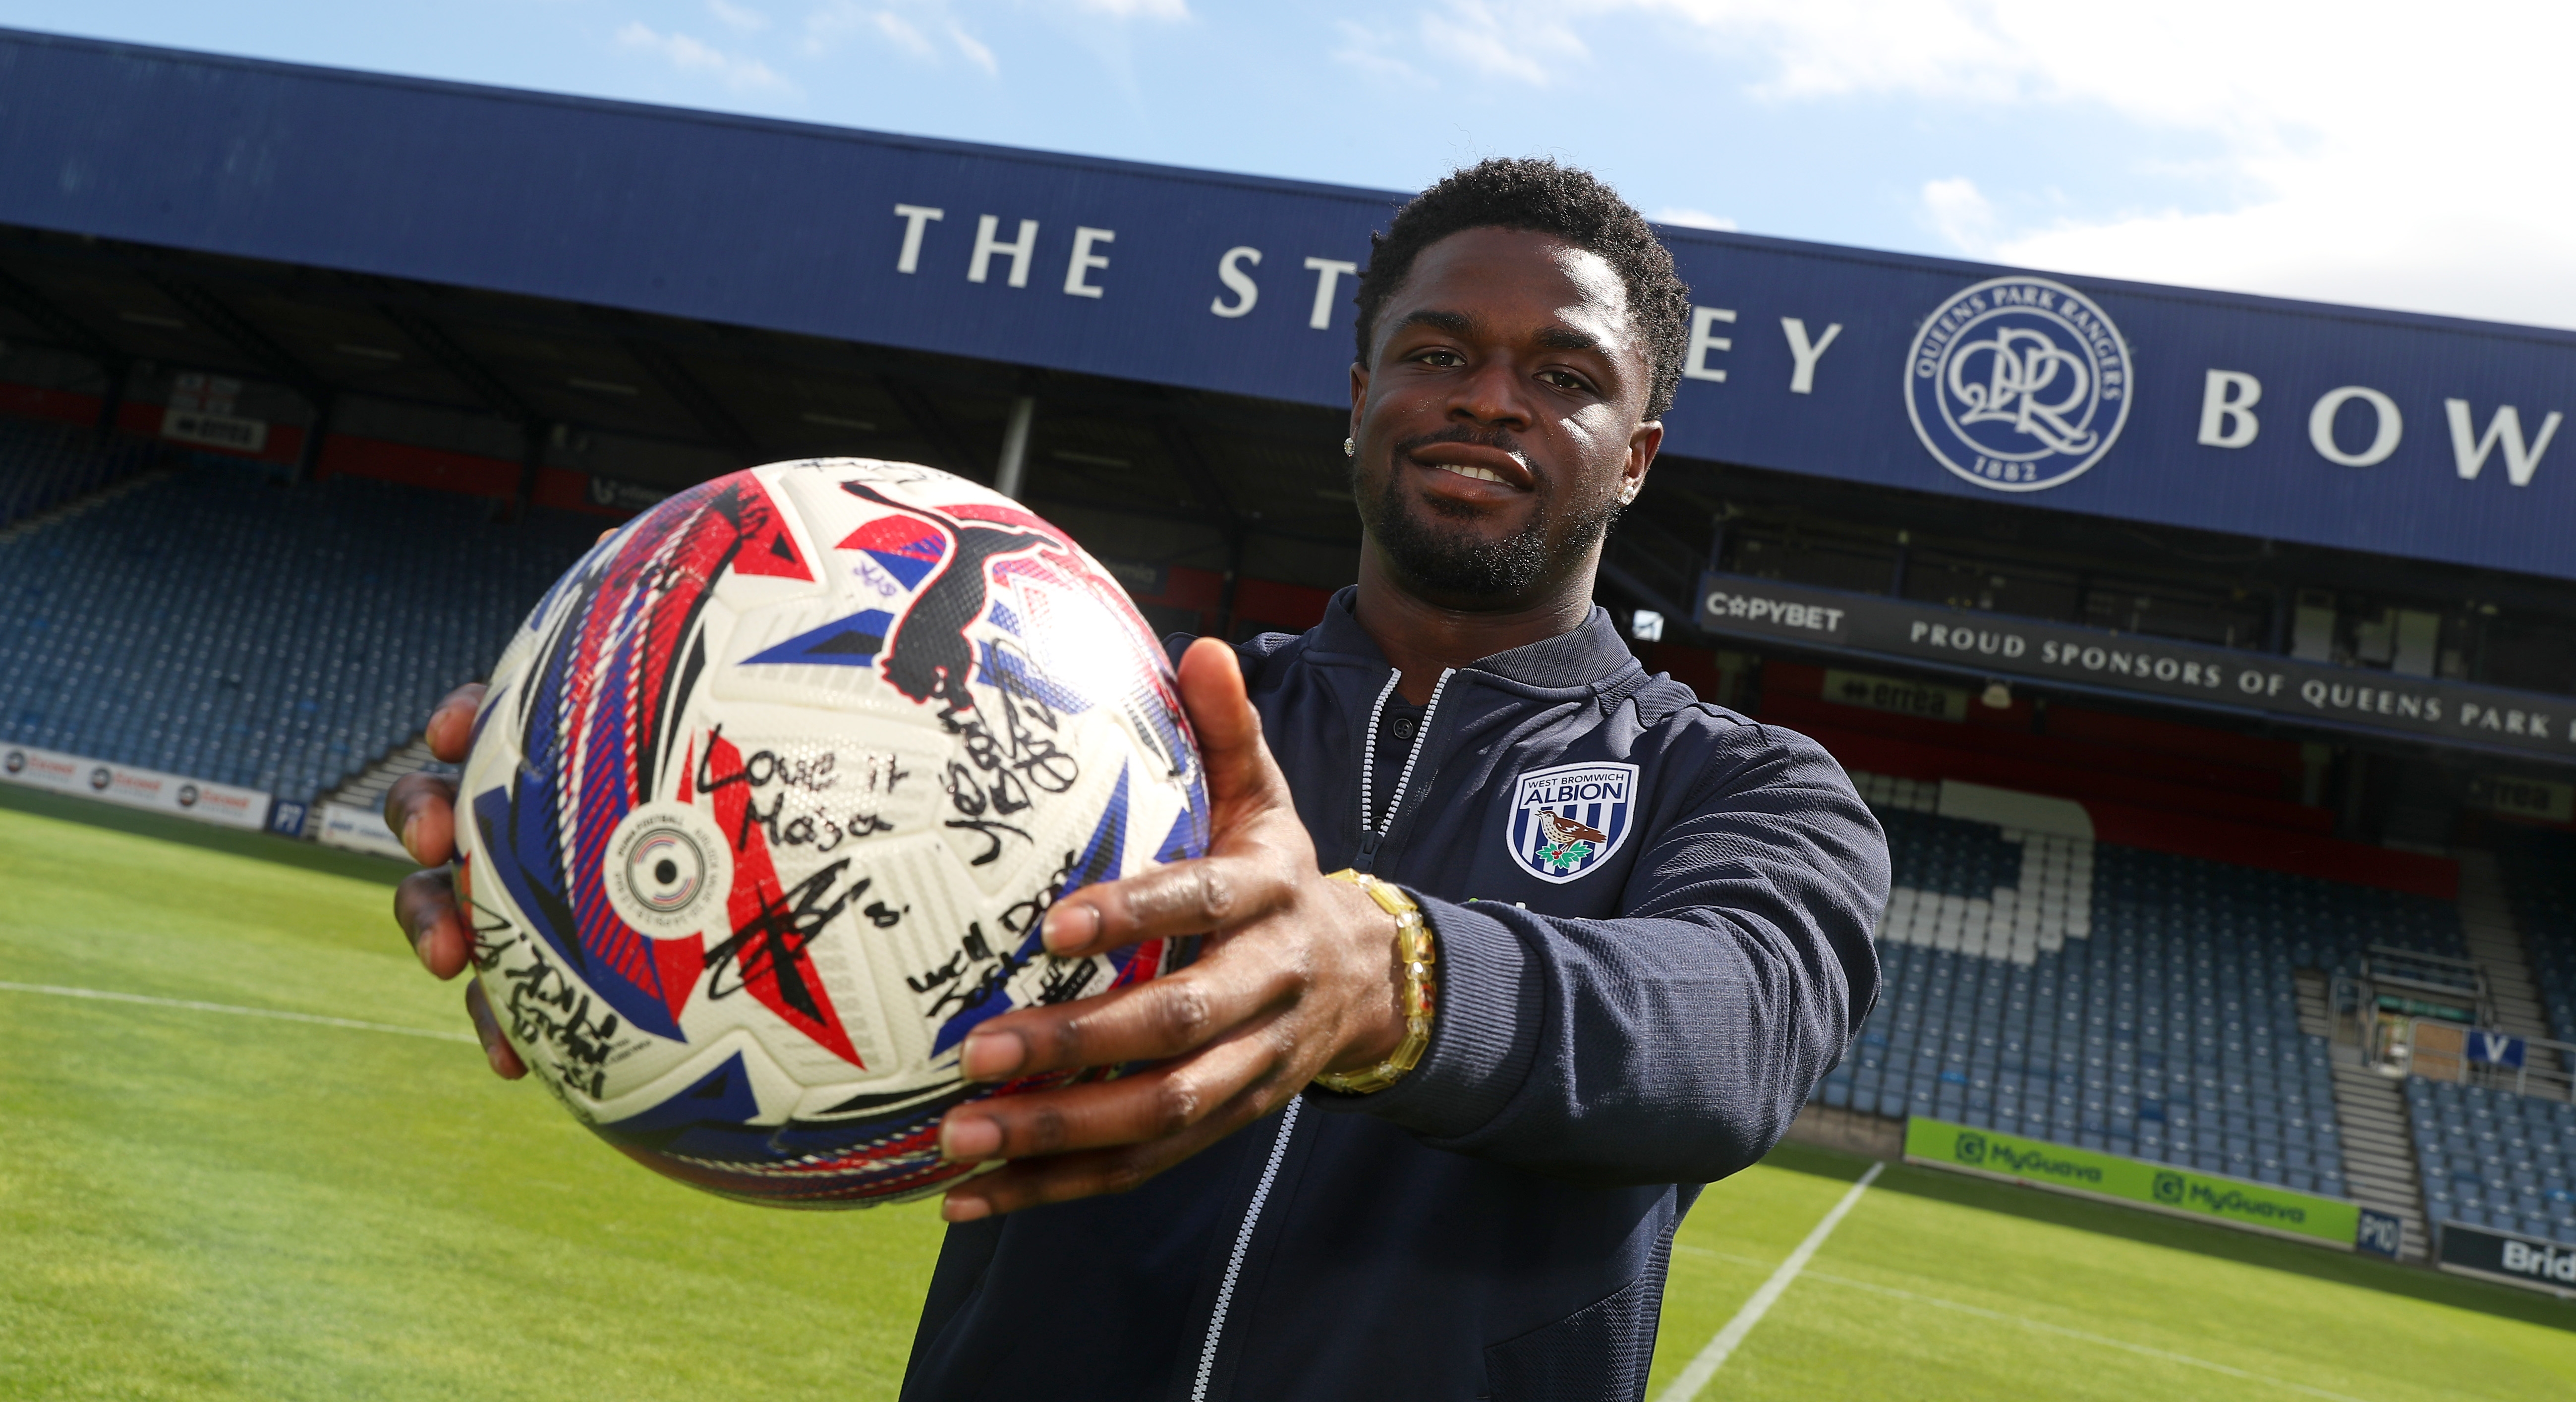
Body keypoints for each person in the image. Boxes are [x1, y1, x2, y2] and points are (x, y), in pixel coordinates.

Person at [388, 159, 1890, 1401]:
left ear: (1636, 454)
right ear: (1362, 392)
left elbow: (1729, 1027)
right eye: (1440, 353)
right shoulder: (1117, 723)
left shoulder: (1746, 787)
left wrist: (1389, 978)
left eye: (1562, 376)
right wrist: (580, 845)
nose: (1491, 398)